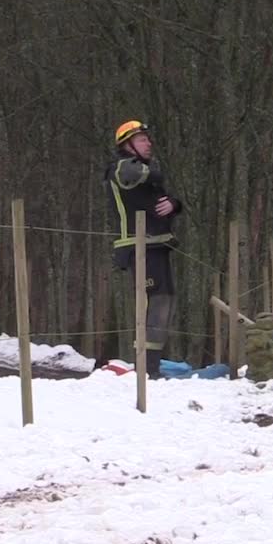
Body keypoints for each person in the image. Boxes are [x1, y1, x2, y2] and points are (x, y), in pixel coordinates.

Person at [103, 120, 184, 378]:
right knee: (151, 305)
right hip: (140, 247)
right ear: (126, 145)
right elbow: (138, 175)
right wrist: (156, 174)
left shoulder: (143, 170)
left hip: (157, 245)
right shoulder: (120, 167)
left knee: (164, 304)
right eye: (141, 140)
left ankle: (150, 367)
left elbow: (162, 195)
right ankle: (145, 370)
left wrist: (174, 204)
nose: (148, 144)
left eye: (148, 139)